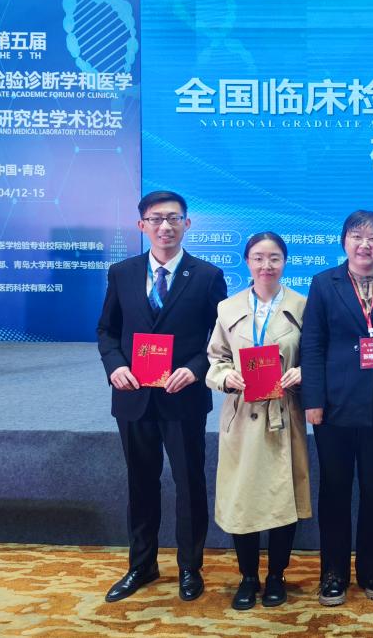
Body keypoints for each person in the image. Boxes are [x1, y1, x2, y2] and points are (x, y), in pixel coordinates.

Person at [97, 190, 227, 603]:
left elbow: (219, 338)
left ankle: (190, 566)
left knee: (189, 483)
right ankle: (142, 565)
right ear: (142, 225)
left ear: (187, 224)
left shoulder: (207, 276)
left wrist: (196, 368)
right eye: (156, 219)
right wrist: (115, 365)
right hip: (133, 395)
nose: (165, 226)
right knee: (140, 482)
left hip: (182, 396)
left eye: (173, 218)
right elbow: (107, 330)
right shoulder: (122, 272)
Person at [301, 210, 373, 606]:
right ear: (344, 241)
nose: (365, 244)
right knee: (334, 490)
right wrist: (313, 400)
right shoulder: (323, 282)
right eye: (357, 236)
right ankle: (333, 572)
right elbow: (312, 344)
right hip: (334, 407)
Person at [206, 232, 311, 610]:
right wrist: (226, 377)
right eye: (258, 258)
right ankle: (248, 576)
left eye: (274, 258)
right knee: (244, 498)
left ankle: (277, 575)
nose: (267, 265)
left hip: (283, 415)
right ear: (247, 262)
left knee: (283, 497)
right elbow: (215, 359)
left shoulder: (302, 306)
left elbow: (316, 354)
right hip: (242, 417)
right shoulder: (228, 308)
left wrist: (303, 372)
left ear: (285, 261)